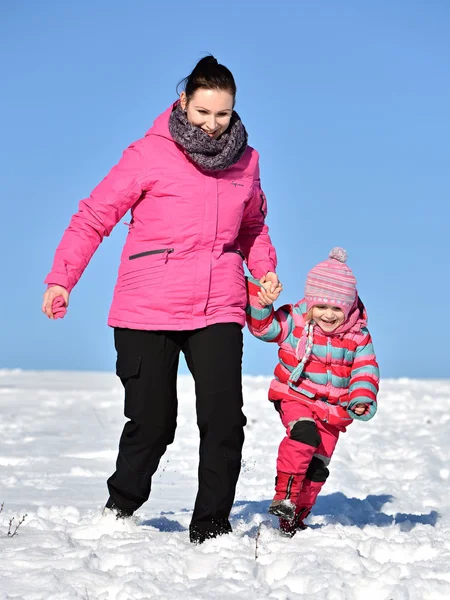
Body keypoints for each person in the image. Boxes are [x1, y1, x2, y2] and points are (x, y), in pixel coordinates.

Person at [42, 56, 278, 544]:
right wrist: (63, 278)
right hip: (147, 305)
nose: (213, 125)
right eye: (202, 113)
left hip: (218, 304)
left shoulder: (247, 161)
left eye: (223, 115)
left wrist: (266, 271)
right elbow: (94, 216)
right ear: (183, 103)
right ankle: (121, 508)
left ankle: (211, 525)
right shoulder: (149, 154)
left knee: (224, 419)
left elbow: (253, 227)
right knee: (153, 422)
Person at [246, 247, 379, 536]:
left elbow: (365, 368)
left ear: (349, 307)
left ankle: (294, 518)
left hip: (334, 409)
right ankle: (284, 497)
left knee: (317, 466)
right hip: (296, 395)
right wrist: (260, 299)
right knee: (303, 435)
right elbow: (264, 328)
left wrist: (361, 397)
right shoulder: (296, 322)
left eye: (337, 309)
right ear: (310, 304)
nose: (328, 315)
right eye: (321, 307)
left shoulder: (358, 335)